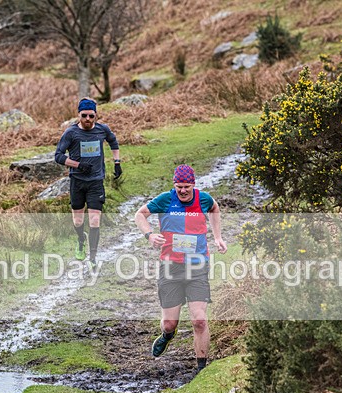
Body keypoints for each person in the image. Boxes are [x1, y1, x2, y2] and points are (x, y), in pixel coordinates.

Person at [134, 164, 227, 373]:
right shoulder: (165, 199)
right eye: (179, 187)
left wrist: (218, 237)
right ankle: (167, 335)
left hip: (197, 266)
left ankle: (201, 369)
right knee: (169, 323)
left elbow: (214, 208)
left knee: (199, 320)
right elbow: (139, 215)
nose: (183, 191)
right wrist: (150, 235)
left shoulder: (203, 199)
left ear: (193, 184)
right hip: (171, 268)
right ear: (174, 185)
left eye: (186, 187)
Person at [54, 98, 121, 267]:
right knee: (78, 221)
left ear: (96, 115)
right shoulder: (71, 133)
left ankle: (92, 258)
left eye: (91, 116)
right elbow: (58, 156)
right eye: (84, 115)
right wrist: (78, 165)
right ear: (78, 115)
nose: (88, 119)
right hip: (77, 182)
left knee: (94, 220)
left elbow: (113, 142)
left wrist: (117, 162)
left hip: (96, 182)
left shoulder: (102, 129)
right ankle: (81, 239)